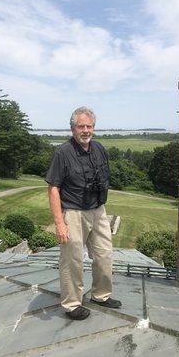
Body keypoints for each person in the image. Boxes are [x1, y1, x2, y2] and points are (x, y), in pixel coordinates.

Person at [46, 106, 121, 320]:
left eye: (89, 126)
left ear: (94, 128)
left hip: (98, 210)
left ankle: (101, 295)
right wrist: (59, 223)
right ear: (72, 129)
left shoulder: (98, 149)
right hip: (73, 212)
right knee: (73, 260)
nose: (85, 130)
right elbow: (53, 188)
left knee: (104, 254)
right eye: (81, 126)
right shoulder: (62, 153)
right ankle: (72, 304)